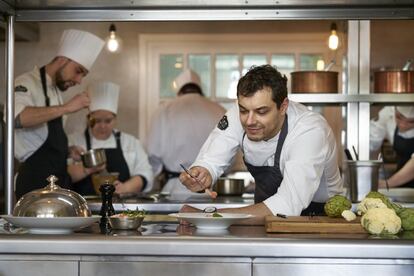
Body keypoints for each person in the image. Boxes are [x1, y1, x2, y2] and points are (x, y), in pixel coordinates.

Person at [179, 65, 343, 219]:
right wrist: (202, 173)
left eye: (261, 111)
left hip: (319, 219)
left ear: (283, 106)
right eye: (243, 110)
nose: (249, 121)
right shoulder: (236, 116)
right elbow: (211, 160)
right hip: (263, 217)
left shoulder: (310, 130)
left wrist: (207, 215)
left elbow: (287, 205)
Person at [13, 29, 104, 199]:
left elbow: (42, 138)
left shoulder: (55, 92)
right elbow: (17, 118)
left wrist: (68, 151)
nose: (78, 81)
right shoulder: (26, 83)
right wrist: (67, 107)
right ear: (62, 60)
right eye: (78, 71)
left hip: (58, 183)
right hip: (33, 184)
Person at [147, 69, 225, 197]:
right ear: (199, 88)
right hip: (214, 188)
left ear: (179, 91)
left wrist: (153, 177)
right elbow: (230, 155)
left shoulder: (163, 110)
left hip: (176, 188)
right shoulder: (219, 109)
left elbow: (153, 153)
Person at [68, 81, 153, 196]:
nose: (102, 126)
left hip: (121, 209)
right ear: (89, 119)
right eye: (97, 121)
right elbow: (63, 175)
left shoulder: (130, 142)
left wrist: (125, 188)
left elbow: (145, 173)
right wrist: (87, 168)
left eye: (108, 121)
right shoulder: (73, 142)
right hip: (84, 209)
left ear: (115, 119)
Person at [370, 106, 414, 187]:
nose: (403, 124)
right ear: (395, 110)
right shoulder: (388, 113)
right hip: (401, 181)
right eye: (399, 117)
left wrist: (387, 183)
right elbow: (370, 142)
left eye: (411, 122)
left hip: (399, 179)